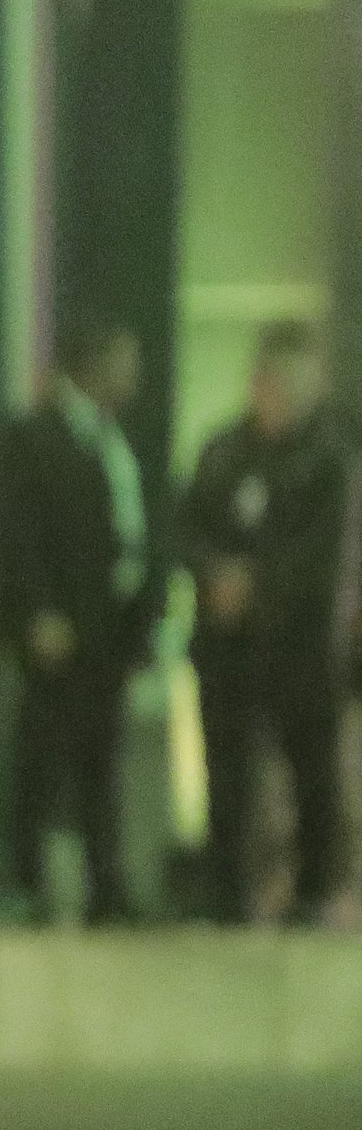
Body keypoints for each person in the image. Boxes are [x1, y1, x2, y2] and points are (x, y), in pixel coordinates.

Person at [183, 320, 353, 926]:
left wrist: (256, 585)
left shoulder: (328, 459)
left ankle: (311, 892)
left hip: (298, 648)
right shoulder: (221, 450)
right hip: (226, 648)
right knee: (225, 770)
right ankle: (226, 891)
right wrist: (214, 577)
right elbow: (189, 528)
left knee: (312, 771)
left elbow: (320, 551)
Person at [0, 320, 155, 924]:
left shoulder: (121, 436)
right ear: (91, 365)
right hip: (56, 630)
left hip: (110, 629)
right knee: (41, 757)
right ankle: (27, 883)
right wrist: (38, 612)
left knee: (101, 759)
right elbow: (19, 534)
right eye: (124, 360)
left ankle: (105, 885)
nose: (133, 375)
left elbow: (137, 529)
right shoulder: (35, 435)